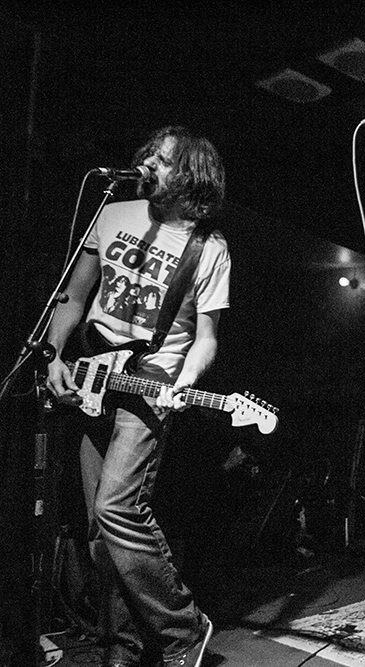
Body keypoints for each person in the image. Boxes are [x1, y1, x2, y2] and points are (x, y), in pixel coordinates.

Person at [45, 126, 230, 667]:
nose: (148, 163)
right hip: (90, 378)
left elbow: (207, 339)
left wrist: (184, 381)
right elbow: (73, 296)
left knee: (117, 507)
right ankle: (122, 644)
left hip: (149, 388)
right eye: (148, 154)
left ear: (191, 174)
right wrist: (53, 355)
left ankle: (184, 631)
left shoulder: (209, 248)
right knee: (98, 530)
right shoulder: (112, 214)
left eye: (163, 160)